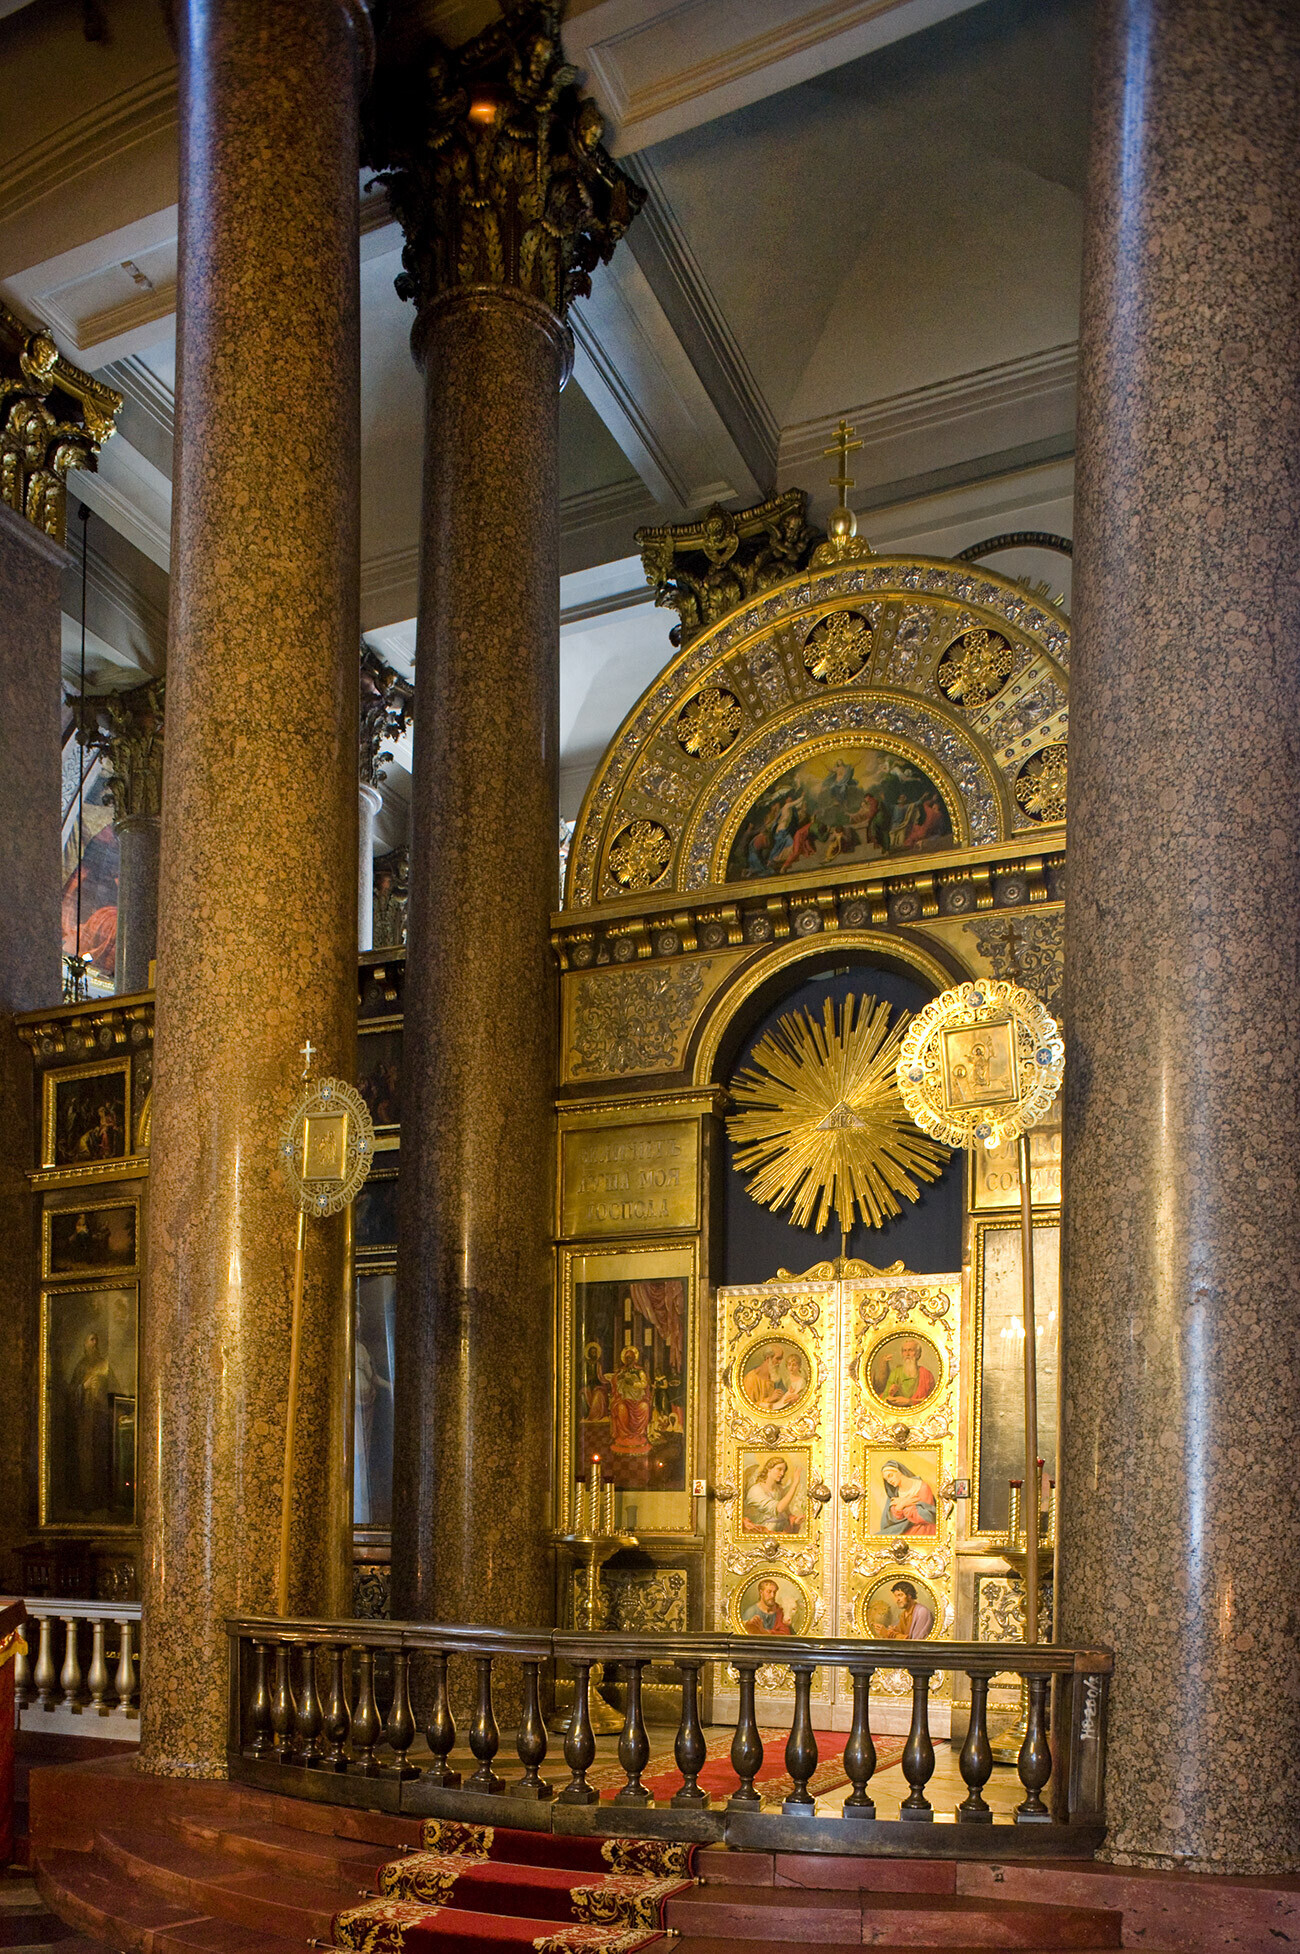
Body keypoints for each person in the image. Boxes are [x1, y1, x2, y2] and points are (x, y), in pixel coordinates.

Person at [743, 1455, 805, 1534]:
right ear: (769, 1469)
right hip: (764, 1533)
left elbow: (786, 1512)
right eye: (779, 1469)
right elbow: (779, 1509)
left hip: (782, 1531)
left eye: (784, 1470)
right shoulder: (756, 1490)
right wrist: (795, 1483)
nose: (782, 1473)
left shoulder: (779, 1490)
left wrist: (794, 1520)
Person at [609, 1342, 650, 1456]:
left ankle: (639, 1435)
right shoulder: (621, 1371)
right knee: (621, 1408)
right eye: (627, 1358)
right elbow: (615, 1384)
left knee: (645, 1407)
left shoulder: (640, 1371)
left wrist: (632, 1382)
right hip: (624, 1399)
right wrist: (619, 1378)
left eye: (631, 1358)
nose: (629, 1360)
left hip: (637, 1399)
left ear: (634, 1359)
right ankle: (624, 1435)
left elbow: (644, 1384)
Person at [879, 1459, 937, 1535]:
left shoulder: (922, 1487)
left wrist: (903, 1504)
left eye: (890, 1476)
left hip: (923, 1527)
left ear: (899, 1472)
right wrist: (901, 1506)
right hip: (902, 1528)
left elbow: (927, 1516)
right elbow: (892, 1518)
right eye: (886, 1479)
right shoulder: (894, 1493)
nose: (889, 1481)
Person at [875, 1336, 936, 1407]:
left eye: (911, 1350)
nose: (907, 1354)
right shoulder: (895, 1373)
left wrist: (910, 1402)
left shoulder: (927, 1375)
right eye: (905, 1350)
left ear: (918, 1354)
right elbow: (884, 1399)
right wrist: (890, 1393)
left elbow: (933, 1401)